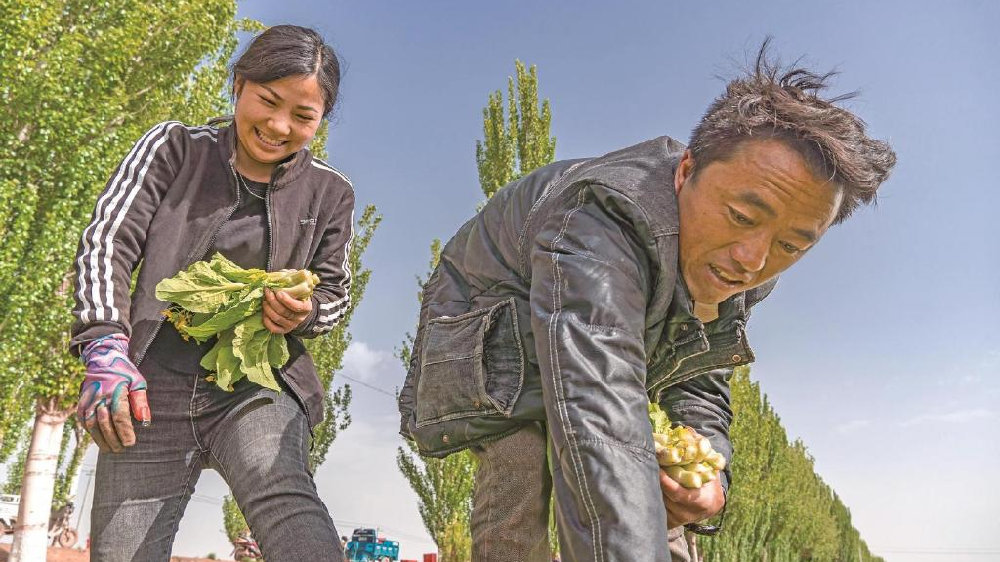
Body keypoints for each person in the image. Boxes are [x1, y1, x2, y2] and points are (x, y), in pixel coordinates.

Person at [398, 43, 895, 562]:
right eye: (743, 216)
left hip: (595, 346)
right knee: (524, 460)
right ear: (686, 171)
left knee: (658, 487)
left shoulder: (741, 270)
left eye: (791, 245)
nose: (752, 260)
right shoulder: (603, 218)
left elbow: (699, 380)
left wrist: (710, 475)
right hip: (493, 324)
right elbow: (598, 405)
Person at [69, 25, 354, 562]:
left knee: (286, 497)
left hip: (255, 385)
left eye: (302, 116)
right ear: (239, 84)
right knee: (123, 551)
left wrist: (304, 310)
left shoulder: (331, 193)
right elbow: (109, 240)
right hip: (148, 388)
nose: (277, 126)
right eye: (267, 102)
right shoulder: (174, 149)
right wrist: (105, 343)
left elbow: (335, 292)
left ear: (321, 121)